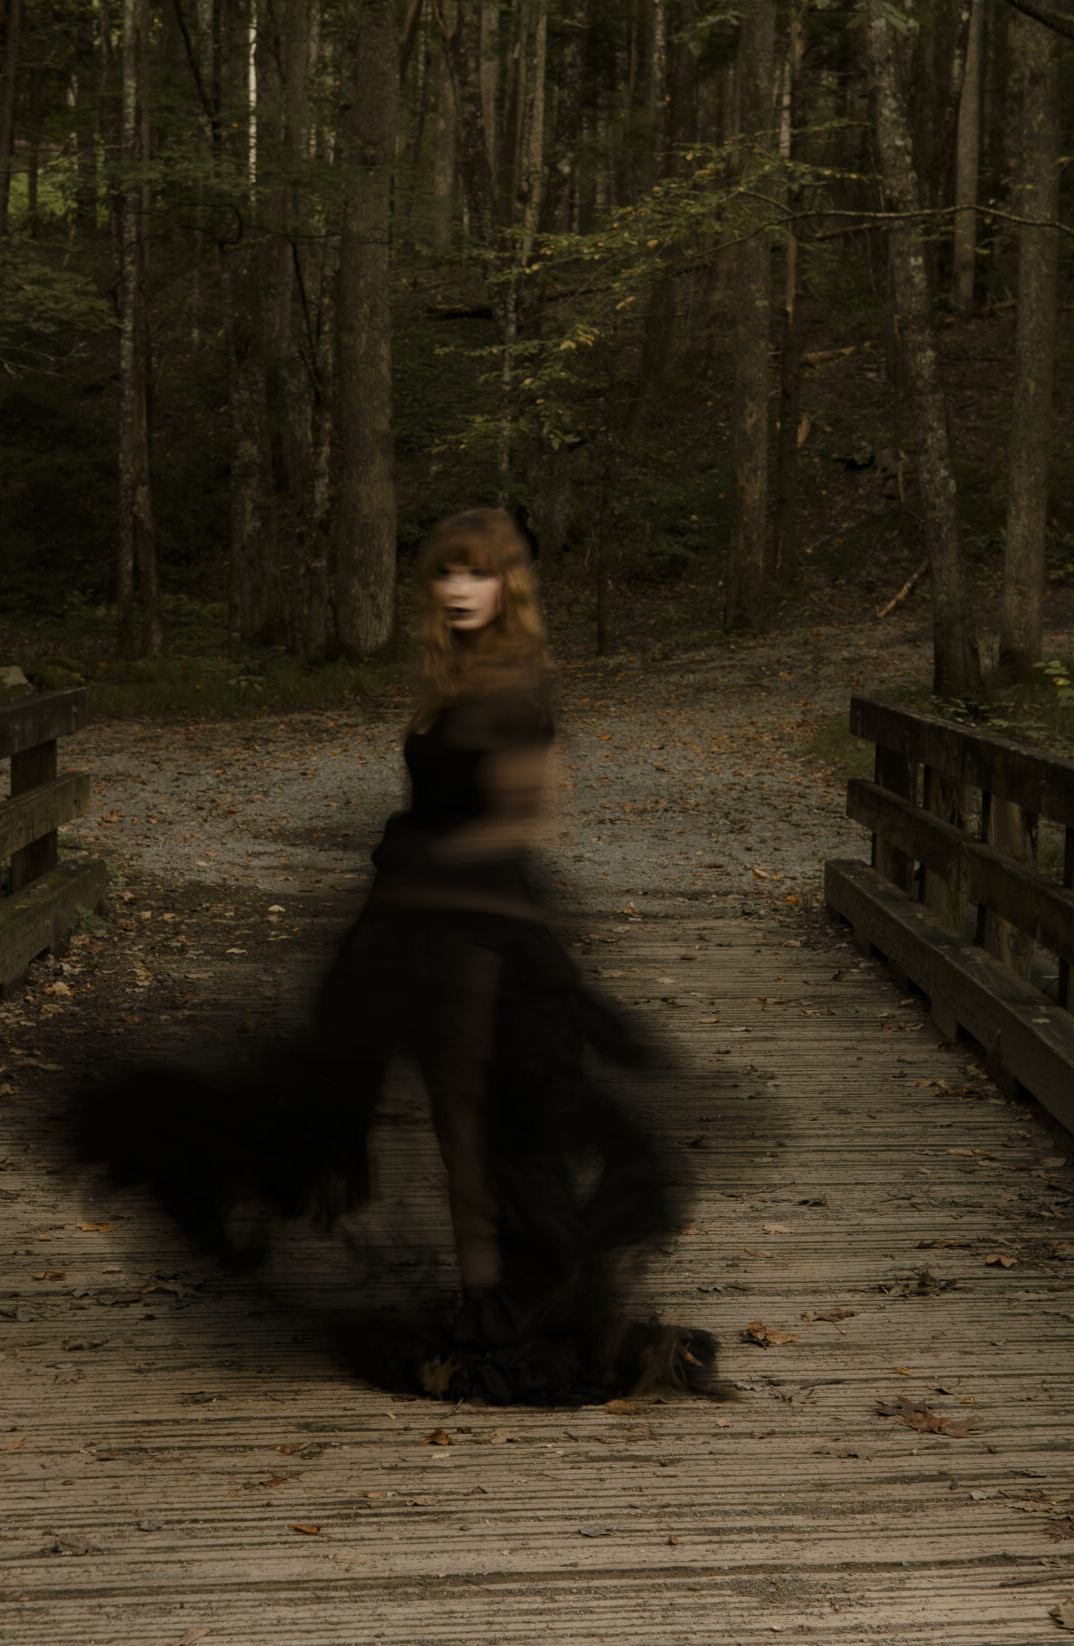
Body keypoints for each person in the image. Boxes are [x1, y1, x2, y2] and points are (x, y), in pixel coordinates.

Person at [73, 508, 718, 1405]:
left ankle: (505, 1303)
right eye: (446, 573)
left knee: (482, 1128)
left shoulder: (517, 693)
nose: (459, 588)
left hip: (477, 935)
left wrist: (421, 865)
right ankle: (487, 1293)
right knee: (456, 1129)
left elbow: (519, 825)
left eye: (478, 573)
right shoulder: (457, 683)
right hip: (420, 932)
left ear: (509, 585)